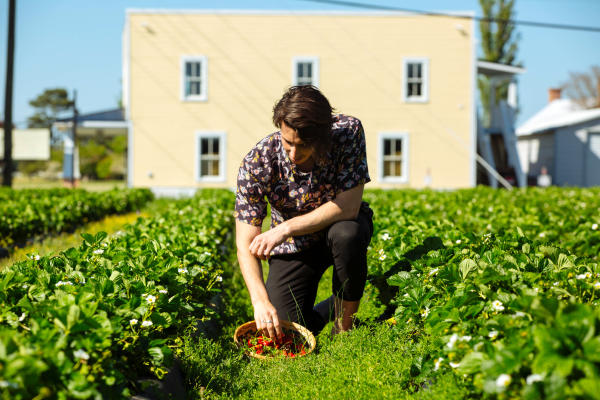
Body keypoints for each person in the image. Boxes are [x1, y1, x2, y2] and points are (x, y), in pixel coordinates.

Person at [234, 85, 373, 339]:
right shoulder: (258, 162)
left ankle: (345, 328)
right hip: (294, 246)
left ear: (324, 134)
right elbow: (245, 242)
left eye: (304, 144)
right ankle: (336, 301)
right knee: (289, 329)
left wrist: (285, 227)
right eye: (288, 143)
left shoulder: (348, 133)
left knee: (348, 234)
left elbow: (349, 205)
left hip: (339, 226)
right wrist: (260, 301)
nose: (294, 154)